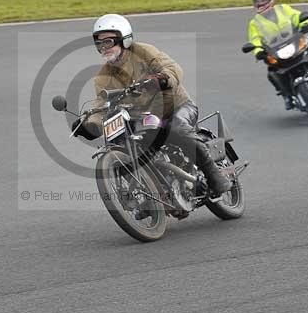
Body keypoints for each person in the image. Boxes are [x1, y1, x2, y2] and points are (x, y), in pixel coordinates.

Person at [73, 13, 232, 195]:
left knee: (177, 128)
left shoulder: (144, 52)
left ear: (123, 39)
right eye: (99, 43)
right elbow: (102, 103)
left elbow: (172, 67)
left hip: (176, 107)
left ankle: (214, 176)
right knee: (124, 143)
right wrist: (90, 125)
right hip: (145, 119)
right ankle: (154, 190)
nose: (103, 47)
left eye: (108, 42)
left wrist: (162, 79)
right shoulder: (103, 77)